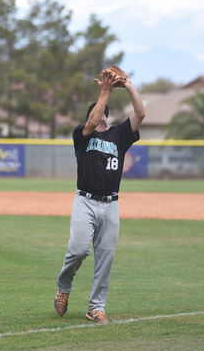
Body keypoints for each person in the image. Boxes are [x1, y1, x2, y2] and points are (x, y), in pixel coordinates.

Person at [54, 72, 145, 324]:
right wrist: (104, 92)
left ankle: (96, 307)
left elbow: (140, 114)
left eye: (104, 111)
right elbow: (92, 122)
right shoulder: (82, 137)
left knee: (105, 258)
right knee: (79, 250)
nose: (101, 114)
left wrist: (127, 85)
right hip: (85, 201)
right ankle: (64, 286)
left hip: (111, 204)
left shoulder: (119, 135)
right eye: (97, 111)